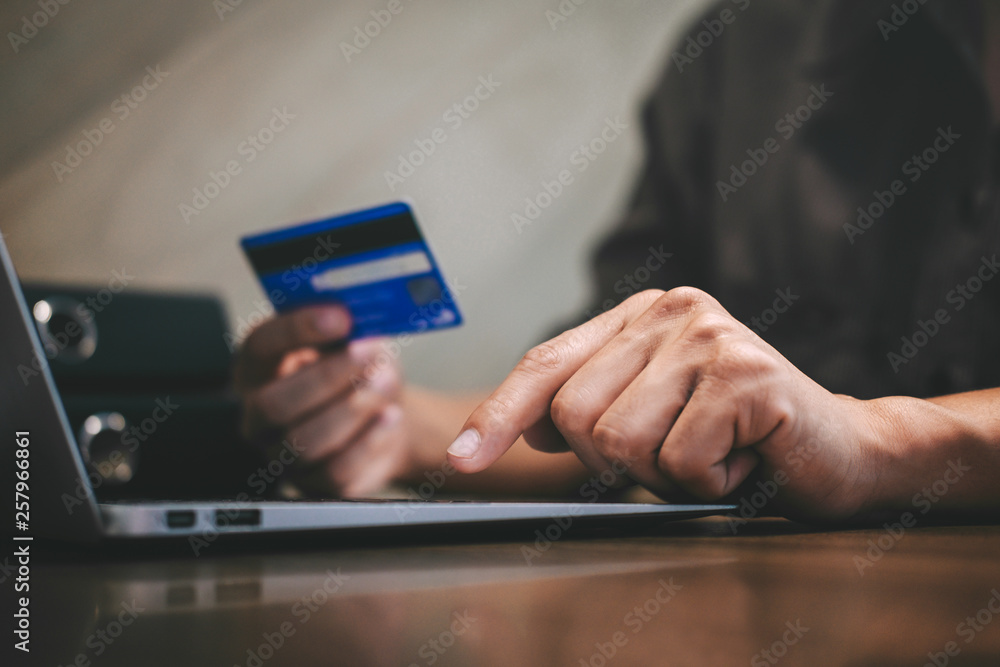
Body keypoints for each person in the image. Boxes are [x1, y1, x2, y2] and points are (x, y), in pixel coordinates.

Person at [235, 0, 1000, 520]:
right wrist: (388, 422)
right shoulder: (740, 48)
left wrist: (873, 442)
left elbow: (854, 441)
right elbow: (597, 416)